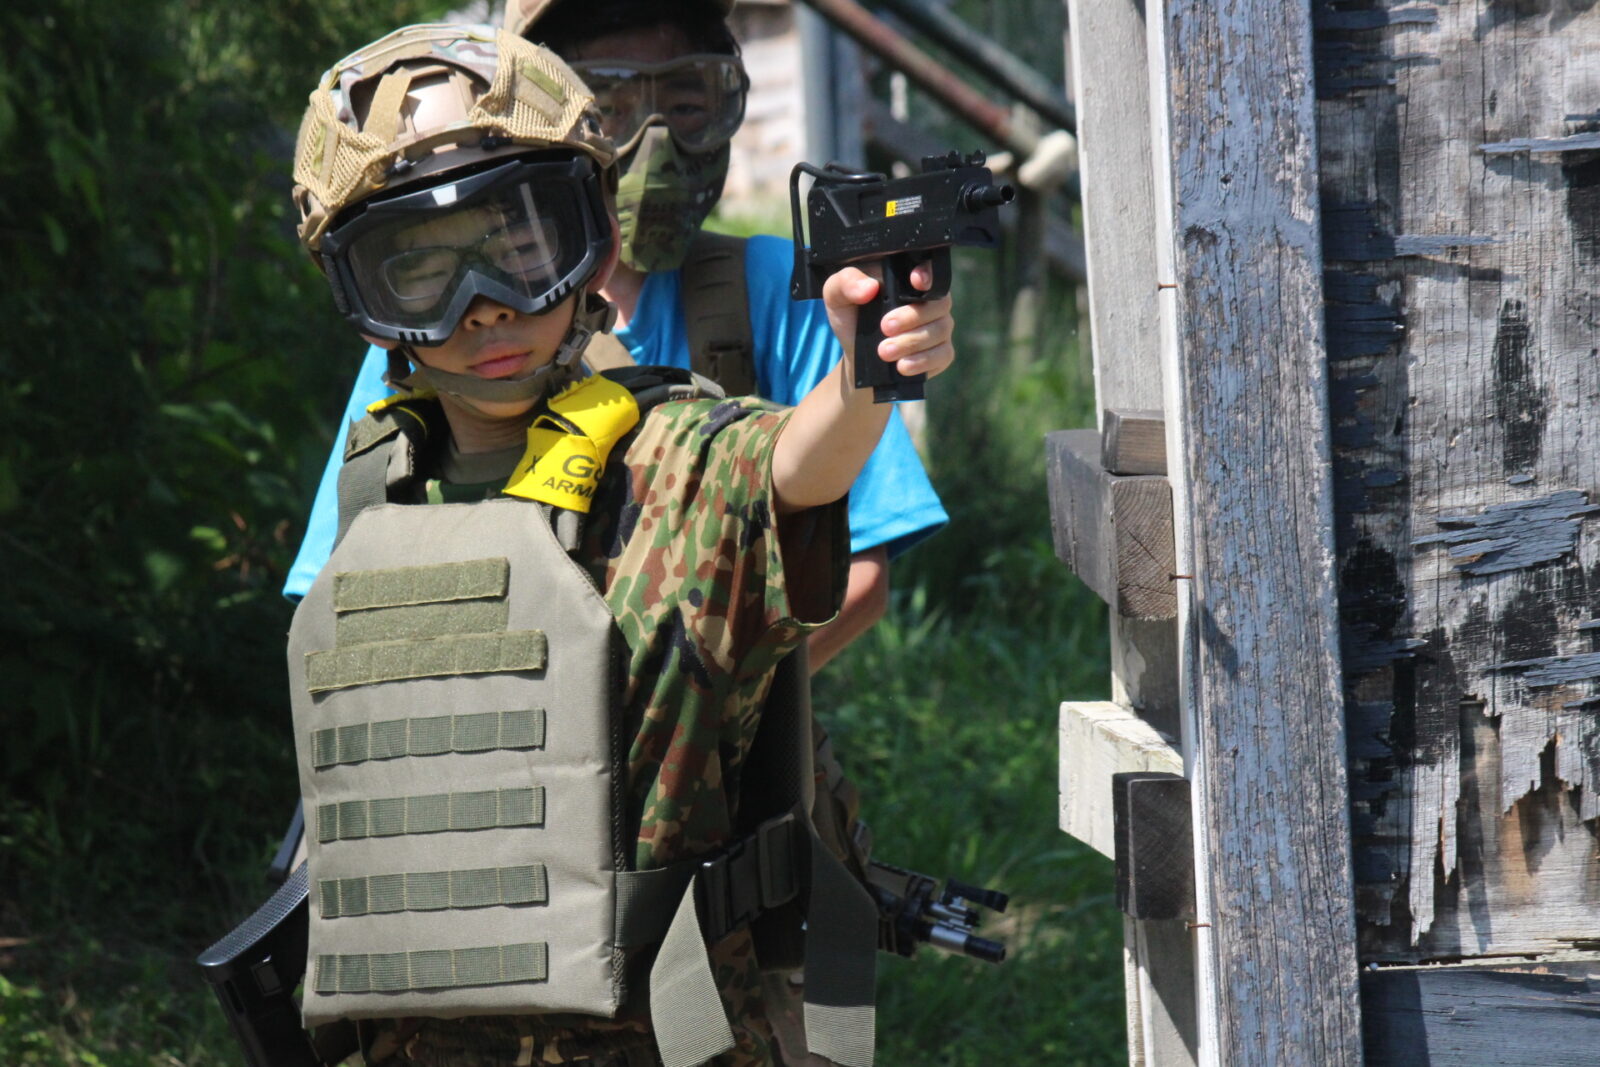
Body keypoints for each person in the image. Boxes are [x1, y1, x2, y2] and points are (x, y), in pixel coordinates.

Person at [283, 23, 955, 1067]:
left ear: (589, 239)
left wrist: (867, 368)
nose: (485, 308)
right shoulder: (377, 480)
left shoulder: (674, 454)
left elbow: (795, 467)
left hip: (660, 1030)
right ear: (363, 305)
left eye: (519, 245)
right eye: (419, 270)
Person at [284, 0, 946, 676]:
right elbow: (335, 615)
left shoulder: (740, 347)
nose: (485, 313)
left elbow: (810, 488)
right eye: (609, 103)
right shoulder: (423, 360)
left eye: (683, 102)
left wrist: (703, 716)